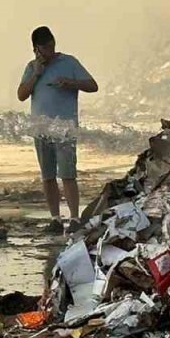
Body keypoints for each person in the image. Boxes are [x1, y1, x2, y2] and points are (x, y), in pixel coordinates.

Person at [17, 26, 98, 231]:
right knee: (48, 175)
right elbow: (22, 94)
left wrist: (71, 83)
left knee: (68, 174)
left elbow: (92, 85)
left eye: (52, 45)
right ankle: (55, 218)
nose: (51, 51)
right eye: (46, 48)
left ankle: (74, 218)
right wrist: (36, 73)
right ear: (37, 49)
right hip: (41, 128)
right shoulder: (32, 67)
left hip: (65, 129)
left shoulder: (69, 62)